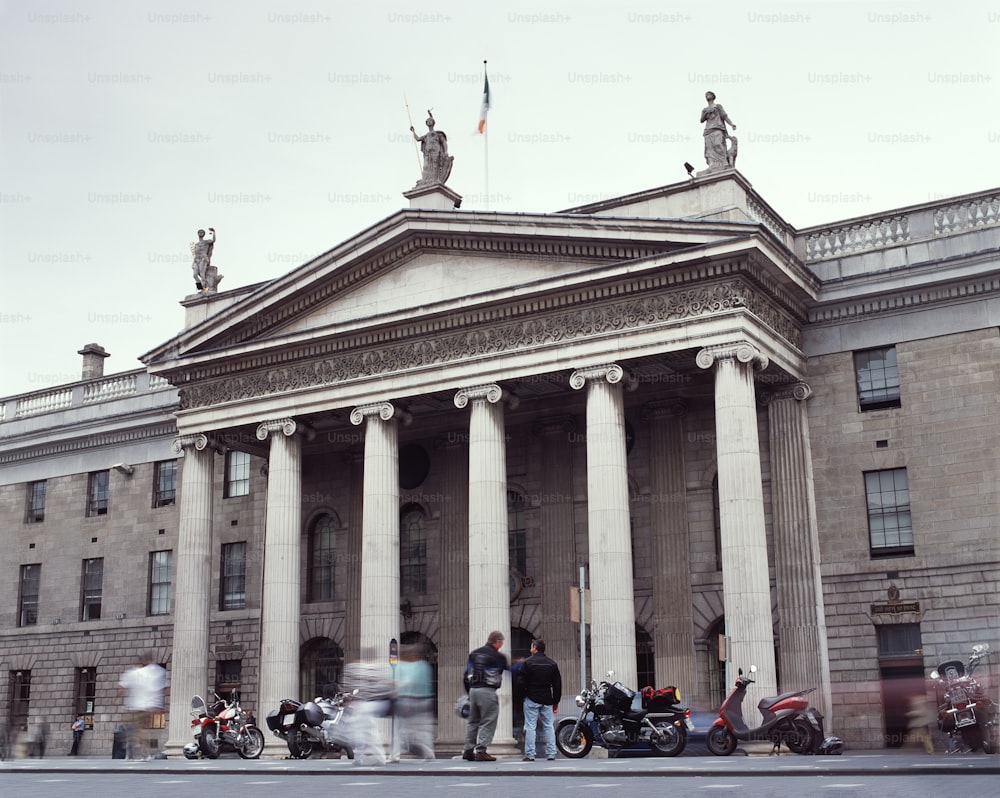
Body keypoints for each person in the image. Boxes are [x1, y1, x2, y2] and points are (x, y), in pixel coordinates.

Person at [342, 648, 395, 765]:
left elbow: (351, 686)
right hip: (374, 704)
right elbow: (386, 686)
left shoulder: (358, 668)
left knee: (364, 732)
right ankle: (361, 758)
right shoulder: (379, 668)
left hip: (365, 705)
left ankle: (375, 758)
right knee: (364, 731)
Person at [462, 630, 509, 761]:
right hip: (487, 691)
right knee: (489, 720)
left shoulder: (474, 654)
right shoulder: (498, 657)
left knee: (473, 721)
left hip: (473, 690)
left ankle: (468, 750)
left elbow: (466, 675)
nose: (502, 645)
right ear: (498, 642)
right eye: (501, 642)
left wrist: (469, 692)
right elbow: (509, 670)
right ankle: (481, 751)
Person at [516, 639, 562, 761]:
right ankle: (551, 752)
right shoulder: (552, 663)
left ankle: (530, 754)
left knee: (530, 726)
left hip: (531, 698)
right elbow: (557, 684)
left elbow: (520, 682)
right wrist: (555, 701)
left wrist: (522, 697)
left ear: (535, 648)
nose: (530, 649)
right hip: (547, 698)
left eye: (531, 647)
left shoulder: (527, 663)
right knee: (549, 725)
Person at [389, 643, 436, 762]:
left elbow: (407, 682)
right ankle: (428, 751)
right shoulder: (424, 665)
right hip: (424, 701)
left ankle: (395, 754)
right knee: (423, 729)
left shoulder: (402, 666)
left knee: (399, 730)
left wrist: (395, 685)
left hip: (408, 700)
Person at [117, 652, 167, 760]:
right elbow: (159, 689)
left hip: (133, 707)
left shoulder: (133, 673)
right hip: (145, 706)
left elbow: (122, 688)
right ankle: (143, 752)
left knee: (132, 729)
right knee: (140, 730)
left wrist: (116, 698)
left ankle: (132, 752)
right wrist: (159, 705)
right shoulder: (156, 671)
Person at [410, 111, 453, 186]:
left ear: (433, 122)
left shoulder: (438, 133)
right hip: (427, 152)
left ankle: (435, 179)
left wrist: (446, 151)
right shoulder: (426, 136)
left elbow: (444, 143)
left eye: (430, 121)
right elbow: (417, 139)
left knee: (435, 163)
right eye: (428, 121)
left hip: (435, 150)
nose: (429, 122)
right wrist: (413, 131)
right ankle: (425, 179)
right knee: (426, 166)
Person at [700, 91, 737, 170]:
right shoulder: (705, 109)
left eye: (709, 94)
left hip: (718, 128)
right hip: (708, 130)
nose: (707, 96)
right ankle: (712, 164)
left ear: (713, 96)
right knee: (709, 148)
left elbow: (725, 116)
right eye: (706, 95)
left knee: (718, 144)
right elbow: (701, 120)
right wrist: (707, 113)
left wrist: (731, 124)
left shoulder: (718, 106)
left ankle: (724, 162)